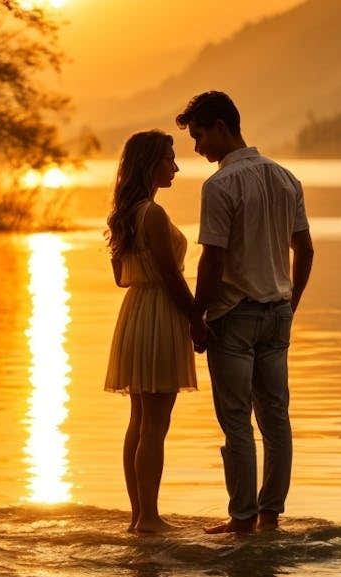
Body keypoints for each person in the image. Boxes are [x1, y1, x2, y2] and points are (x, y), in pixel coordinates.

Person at [176, 92, 314, 534]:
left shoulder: (220, 186)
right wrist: (290, 303)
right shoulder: (287, 179)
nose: (197, 147)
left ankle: (241, 519)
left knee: (236, 421)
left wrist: (196, 317)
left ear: (221, 126)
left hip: (233, 317)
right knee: (276, 419)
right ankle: (269, 517)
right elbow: (305, 249)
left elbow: (212, 260)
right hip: (277, 312)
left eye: (199, 136)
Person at [104, 130, 209, 534]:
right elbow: (170, 276)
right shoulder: (153, 214)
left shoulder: (124, 215)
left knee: (139, 419)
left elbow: (120, 278)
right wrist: (196, 318)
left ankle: (139, 515)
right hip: (160, 315)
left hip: (134, 313)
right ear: (150, 164)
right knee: (155, 424)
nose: (176, 166)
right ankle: (148, 517)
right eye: (169, 158)